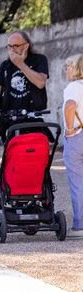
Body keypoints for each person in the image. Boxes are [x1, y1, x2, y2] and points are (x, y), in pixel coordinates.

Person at [0, 31, 50, 140]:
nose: (12, 49)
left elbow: (40, 83)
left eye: (15, 46)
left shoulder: (39, 60)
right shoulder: (5, 65)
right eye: (9, 46)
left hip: (32, 118)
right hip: (9, 119)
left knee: (34, 153)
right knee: (11, 154)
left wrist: (20, 64)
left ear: (26, 46)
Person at [63, 54, 83, 238]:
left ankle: (80, 225)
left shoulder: (73, 87)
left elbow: (70, 106)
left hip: (77, 136)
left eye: (68, 66)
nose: (66, 69)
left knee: (77, 182)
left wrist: (69, 128)